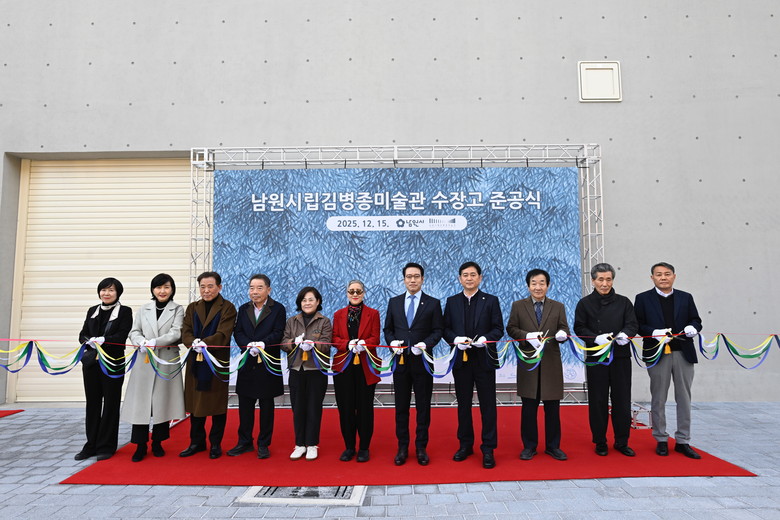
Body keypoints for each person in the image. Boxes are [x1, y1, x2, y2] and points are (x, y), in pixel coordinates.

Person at [634, 262, 703, 459]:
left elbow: (696, 320)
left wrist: (693, 327)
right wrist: (654, 332)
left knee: (684, 398)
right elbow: (637, 325)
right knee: (658, 397)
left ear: (674, 276)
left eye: (667, 274)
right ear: (652, 278)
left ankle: (683, 440)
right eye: (658, 274)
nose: (663, 277)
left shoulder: (685, 297)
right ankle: (661, 439)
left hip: (683, 353)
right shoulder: (642, 298)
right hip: (657, 353)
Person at [443, 261, 504, 469]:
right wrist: (455, 340)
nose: (469, 278)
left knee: (488, 405)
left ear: (480, 277)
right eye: (465, 275)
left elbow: (498, 328)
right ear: (459, 278)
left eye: (473, 275)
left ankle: (488, 448)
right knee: (463, 405)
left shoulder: (491, 300)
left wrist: (486, 338)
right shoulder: (452, 301)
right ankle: (465, 445)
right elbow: (445, 329)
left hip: (484, 360)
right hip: (461, 360)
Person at [574, 263, 638, 457]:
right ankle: (600, 441)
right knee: (598, 400)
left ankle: (622, 441)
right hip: (597, 358)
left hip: (620, 357)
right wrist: (595, 338)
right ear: (593, 280)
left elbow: (632, 324)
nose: (604, 283)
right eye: (600, 279)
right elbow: (579, 328)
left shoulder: (624, 302)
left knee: (622, 400)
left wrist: (626, 334)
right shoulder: (584, 303)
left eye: (608, 279)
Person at [506, 268, 571, 462]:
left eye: (542, 283)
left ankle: (553, 446)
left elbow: (564, 328)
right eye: (534, 283)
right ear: (528, 286)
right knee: (528, 408)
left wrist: (562, 335)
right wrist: (527, 336)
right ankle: (529, 446)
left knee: (553, 409)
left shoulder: (558, 306)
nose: (538, 287)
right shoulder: (518, 306)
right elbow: (511, 328)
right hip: (529, 363)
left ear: (548, 285)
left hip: (551, 363)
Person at [383, 262, 443, 466]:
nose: (412, 280)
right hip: (401, 362)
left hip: (423, 362)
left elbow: (438, 330)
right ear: (404, 280)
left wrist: (426, 344)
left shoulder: (433, 303)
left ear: (422, 279)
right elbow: (388, 329)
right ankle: (402, 447)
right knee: (401, 407)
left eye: (416, 276)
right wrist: (392, 343)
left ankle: (421, 447)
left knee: (423, 406)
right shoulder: (394, 302)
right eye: (409, 277)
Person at [122, 273, 186, 462]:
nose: (162, 291)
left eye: (166, 287)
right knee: (141, 404)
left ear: (172, 289)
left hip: (166, 359)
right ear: (152, 289)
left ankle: (158, 442)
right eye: (158, 287)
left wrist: (155, 342)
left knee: (162, 402)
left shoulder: (177, 309)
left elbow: (176, 332)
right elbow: (134, 331)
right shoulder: (144, 309)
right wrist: (141, 341)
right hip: (144, 359)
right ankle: (140, 445)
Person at [228, 274, 286, 459]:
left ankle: (263, 443)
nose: (255, 291)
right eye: (252, 288)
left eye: (259, 288)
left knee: (267, 406)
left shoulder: (277, 309)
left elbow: (279, 332)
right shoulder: (243, 308)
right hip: (248, 361)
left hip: (267, 362)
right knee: (245, 405)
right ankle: (244, 442)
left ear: (268, 290)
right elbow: (238, 332)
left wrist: (262, 344)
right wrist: (248, 346)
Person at [180, 271, 237, 459]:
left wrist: (205, 343)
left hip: (215, 362)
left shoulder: (227, 308)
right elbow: (186, 331)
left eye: (210, 286)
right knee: (195, 404)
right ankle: (196, 442)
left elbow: (224, 333)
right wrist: (192, 342)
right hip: (195, 361)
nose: (206, 290)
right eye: (202, 287)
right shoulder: (192, 308)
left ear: (219, 287)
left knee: (217, 405)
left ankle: (215, 443)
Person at [75, 277, 133, 461]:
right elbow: (82, 334)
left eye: (111, 290)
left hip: (112, 362)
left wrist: (104, 340)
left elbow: (122, 336)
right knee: (92, 403)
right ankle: (91, 444)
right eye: (104, 290)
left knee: (110, 403)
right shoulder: (92, 310)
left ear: (118, 293)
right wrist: (88, 340)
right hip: (91, 363)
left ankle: (106, 446)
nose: (106, 293)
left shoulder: (125, 311)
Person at [331, 280, 381, 463]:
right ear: (346, 293)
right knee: (345, 408)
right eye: (351, 291)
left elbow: (375, 338)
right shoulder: (338, 314)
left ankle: (364, 447)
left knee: (365, 409)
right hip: (343, 367)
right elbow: (334, 338)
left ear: (364, 293)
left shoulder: (373, 314)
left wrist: (364, 344)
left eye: (358, 291)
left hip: (365, 366)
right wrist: (347, 344)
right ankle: (349, 446)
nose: (355, 294)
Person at [281, 287, 333, 461]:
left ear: (318, 302)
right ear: (299, 303)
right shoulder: (292, 321)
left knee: (313, 408)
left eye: (311, 299)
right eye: (304, 300)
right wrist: (293, 342)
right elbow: (283, 343)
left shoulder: (324, 321)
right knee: (298, 408)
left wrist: (313, 344)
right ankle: (299, 444)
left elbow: (327, 344)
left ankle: (312, 444)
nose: (307, 303)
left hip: (316, 370)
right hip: (297, 370)